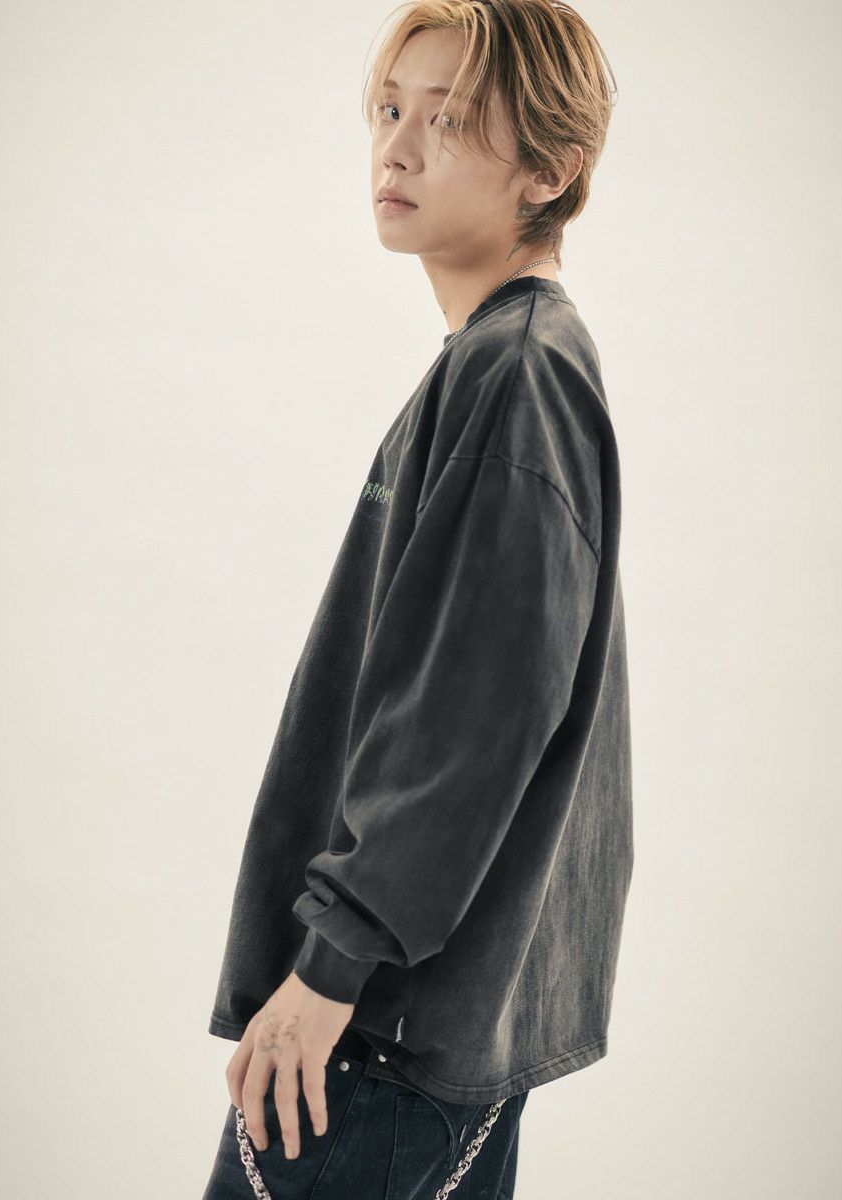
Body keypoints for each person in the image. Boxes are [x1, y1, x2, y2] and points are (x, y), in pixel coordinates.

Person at [202, 3, 632, 1197]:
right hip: (422, 1024)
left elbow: (475, 719)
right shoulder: (506, 362)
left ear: (550, 169)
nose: (393, 148)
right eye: (388, 110)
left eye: (446, 121)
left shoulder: (518, 376)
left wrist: (330, 969)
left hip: (380, 1034)